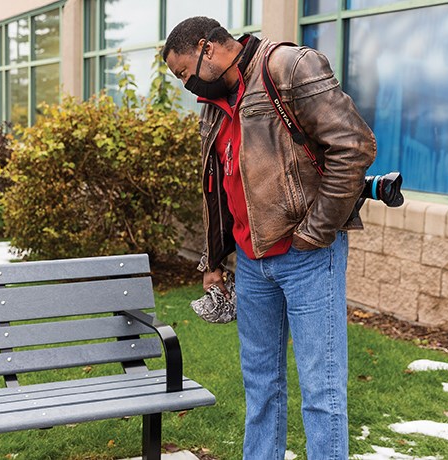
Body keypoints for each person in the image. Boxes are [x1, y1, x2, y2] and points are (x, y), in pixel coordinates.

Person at [162, 17, 376, 460]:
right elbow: (217, 187)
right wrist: (215, 262)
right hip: (251, 261)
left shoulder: (289, 66)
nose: (187, 85)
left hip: (308, 257)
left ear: (208, 48)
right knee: (261, 387)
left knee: (322, 391)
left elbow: (353, 146)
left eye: (184, 73)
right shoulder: (214, 102)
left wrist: (315, 233)